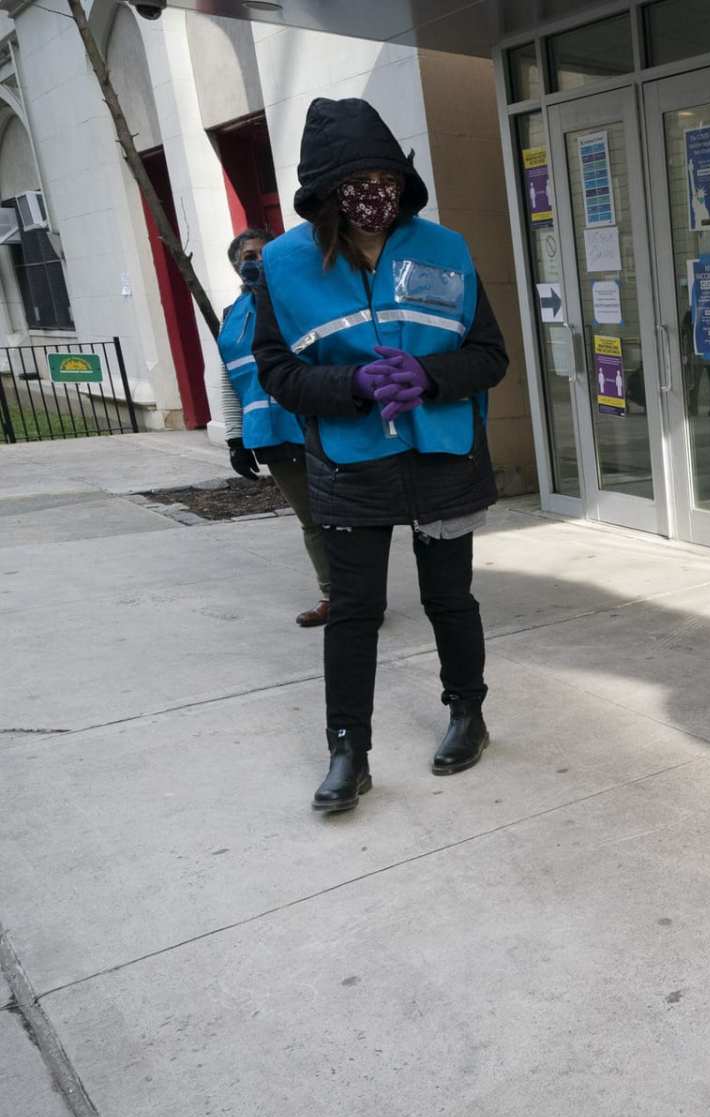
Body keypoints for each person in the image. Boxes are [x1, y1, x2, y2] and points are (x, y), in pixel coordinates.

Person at [252, 97, 509, 816]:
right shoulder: (283, 265)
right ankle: (348, 751)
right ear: (326, 193)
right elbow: (277, 371)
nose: (376, 194)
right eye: (359, 182)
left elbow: (490, 355)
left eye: (387, 178)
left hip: (444, 456)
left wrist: (429, 376)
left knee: (449, 600)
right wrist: (352, 384)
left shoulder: (445, 249)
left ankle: (468, 714)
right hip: (349, 461)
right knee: (355, 610)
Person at [214, 228, 331, 626]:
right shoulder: (231, 317)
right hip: (271, 433)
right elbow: (229, 378)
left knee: (347, 514)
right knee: (312, 519)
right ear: (236, 264)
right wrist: (235, 438)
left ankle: (362, 596)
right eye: (249, 255)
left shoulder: (301, 299)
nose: (257, 261)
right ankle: (335, 596)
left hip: (318, 421)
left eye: (265, 254)